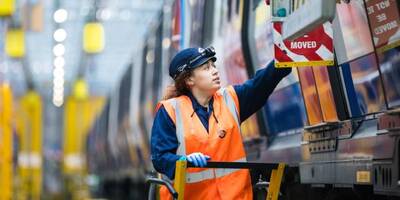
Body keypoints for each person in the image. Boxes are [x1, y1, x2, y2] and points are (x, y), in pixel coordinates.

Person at [151, 46, 291, 200]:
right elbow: (160, 158)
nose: (215, 71)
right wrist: (183, 161)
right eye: (206, 68)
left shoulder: (231, 99)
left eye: (213, 65)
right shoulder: (169, 111)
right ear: (189, 79)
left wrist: (285, 56)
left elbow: (262, 83)